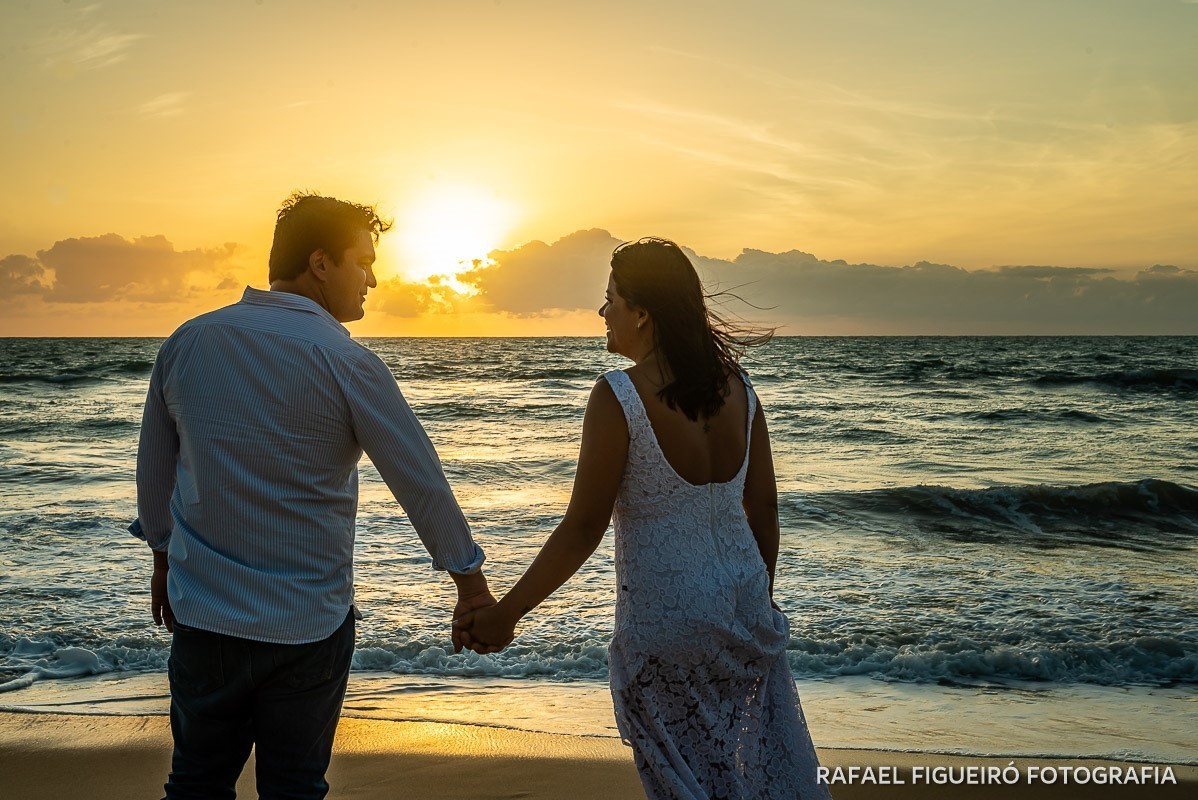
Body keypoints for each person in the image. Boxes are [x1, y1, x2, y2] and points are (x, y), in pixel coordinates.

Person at [130, 192, 494, 800]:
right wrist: (471, 585)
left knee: (195, 784)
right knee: (294, 789)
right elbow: (419, 481)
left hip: (205, 615)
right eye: (364, 262)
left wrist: (163, 560)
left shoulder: (187, 343)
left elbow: (154, 474)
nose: (373, 279)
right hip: (308, 623)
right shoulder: (347, 362)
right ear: (321, 263)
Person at [456, 238, 830, 799]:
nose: (602, 311)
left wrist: (506, 613)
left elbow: (583, 529)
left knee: (686, 783)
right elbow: (765, 513)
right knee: (746, 777)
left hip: (665, 625)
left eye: (610, 299)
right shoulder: (741, 391)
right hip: (746, 612)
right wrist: (761, 597)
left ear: (642, 313)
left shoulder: (619, 396)